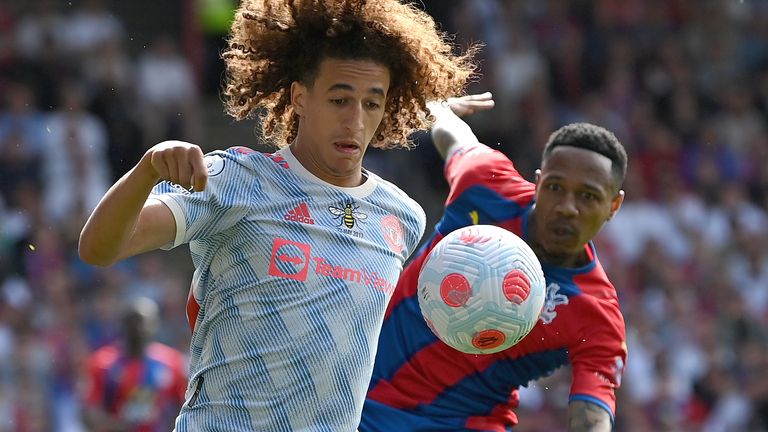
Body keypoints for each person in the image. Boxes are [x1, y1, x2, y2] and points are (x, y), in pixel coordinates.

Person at [78, 0, 476, 430]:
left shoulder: (403, 217)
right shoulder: (235, 180)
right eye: (340, 99)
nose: (355, 122)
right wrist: (146, 170)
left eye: (371, 104)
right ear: (300, 97)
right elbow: (98, 249)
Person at [360, 93, 628, 432]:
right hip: (351, 388)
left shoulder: (596, 314)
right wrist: (442, 111)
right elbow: (452, 137)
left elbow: (592, 417)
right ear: (538, 181)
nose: (567, 207)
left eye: (588, 196)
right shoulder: (486, 185)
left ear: (613, 206)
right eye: (556, 187)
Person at [81, 297, 187, 432]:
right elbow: (87, 412)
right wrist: (117, 425)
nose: (139, 328)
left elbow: (184, 406)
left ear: (156, 324)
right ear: (123, 325)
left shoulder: (172, 362)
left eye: (145, 322)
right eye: (134, 322)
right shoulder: (103, 362)